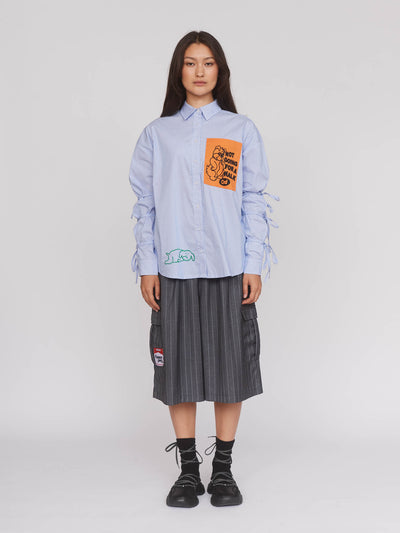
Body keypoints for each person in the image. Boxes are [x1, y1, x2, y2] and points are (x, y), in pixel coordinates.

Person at [128, 30, 279, 508]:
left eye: (208, 62)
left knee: (230, 368)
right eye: (190, 62)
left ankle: (224, 470)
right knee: (179, 370)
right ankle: (188, 471)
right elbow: (146, 204)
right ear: (179, 70)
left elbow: (251, 199)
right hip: (173, 267)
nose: (199, 71)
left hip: (227, 264)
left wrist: (253, 263)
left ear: (220, 71)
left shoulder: (237, 130)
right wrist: (147, 265)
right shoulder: (158, 134)